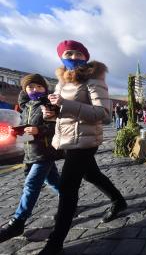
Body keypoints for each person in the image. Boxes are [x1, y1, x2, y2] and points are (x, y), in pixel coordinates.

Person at [38, 40, 127, 255]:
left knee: (68, 188)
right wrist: (51, 114)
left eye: (78, 54)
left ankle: (55, 243)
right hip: (68, 139)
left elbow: (103, 115)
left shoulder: (93, 80)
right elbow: (63, 113)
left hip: (85, 141)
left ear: (86, 56)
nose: (74, 57)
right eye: (68, 53)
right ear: (61, 57)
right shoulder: (60, 83)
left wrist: (64, 105)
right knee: (91, 174)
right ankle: (119, 201)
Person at [0, 74, 60, 243]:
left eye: (39, 87)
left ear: (45, 88)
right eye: (31, 87)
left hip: (45, 152)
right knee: (53, 181)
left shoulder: (49, 105)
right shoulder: (25, 106)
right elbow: (27, 131)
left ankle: (18, 222)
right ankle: (69, 201)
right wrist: (18, 133)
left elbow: (53, 128)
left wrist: (38, 130)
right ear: (25, 89)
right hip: (31, 152)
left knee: (31, 184)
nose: (35, 90)